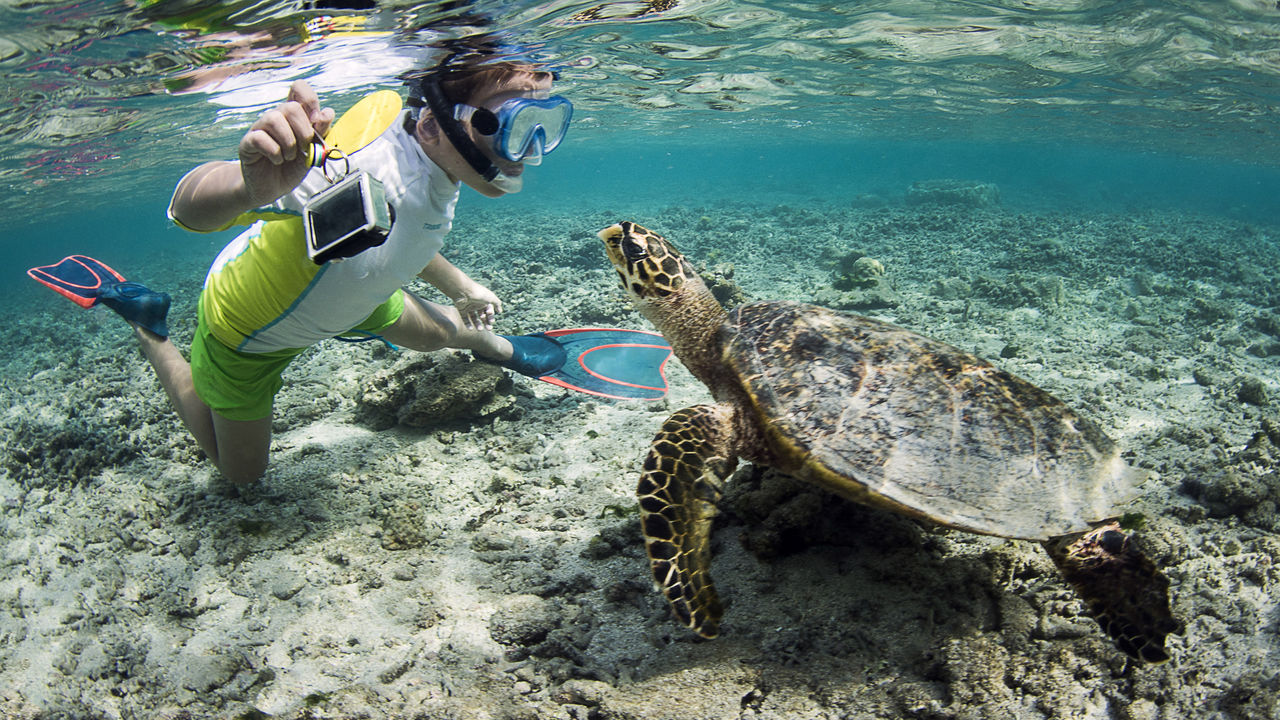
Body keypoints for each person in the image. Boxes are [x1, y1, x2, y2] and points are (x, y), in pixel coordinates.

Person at [118, 60, 573, 484]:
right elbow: (185, 209)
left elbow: (399, 233)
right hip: (249, 330)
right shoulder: (358, 159)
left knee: (433, 335)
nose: (529, 151)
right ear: (434, 125)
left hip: (352, 291)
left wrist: (461, 286)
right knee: (243, 476)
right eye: (511, 125)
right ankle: (148, 326)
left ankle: (503, 348)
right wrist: (245, 188)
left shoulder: (434, 154)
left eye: (544, 124)